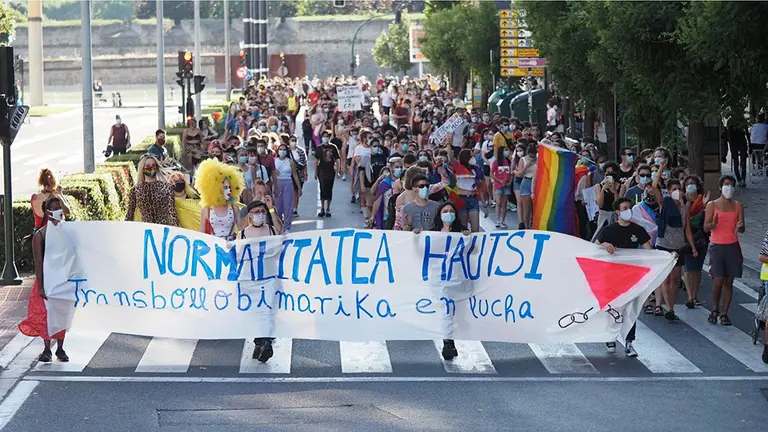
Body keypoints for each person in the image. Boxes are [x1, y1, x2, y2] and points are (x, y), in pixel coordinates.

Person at [596, 197, 652, 357]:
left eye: (630, 207)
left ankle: (629, 342)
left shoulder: (638, 230)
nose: (629, 210)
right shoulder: (609, 230)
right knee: (613, 307)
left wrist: (663, 259)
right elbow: (595, 246)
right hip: (612, 275)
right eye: (625, 208)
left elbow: (649, 250)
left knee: (630, 309)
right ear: (618, 212)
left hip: (632, 276)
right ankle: (611, 337)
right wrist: (605, 245)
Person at [19, 196, 69, 363]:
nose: (59, 212)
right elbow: (39, 263)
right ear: (48, 213)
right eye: (56, 208)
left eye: (60, 208)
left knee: (62, 314)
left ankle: (60, 348)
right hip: (47, 280)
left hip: (62, 279)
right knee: (45, 314)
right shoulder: (40, 236)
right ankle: (47, 348)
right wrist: (41, 287)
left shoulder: (66, 231)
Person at [652, 177, 696, 322]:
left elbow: (687, 229)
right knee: (666, 278)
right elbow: (654, 186)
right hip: (664, 244)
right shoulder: (664, 204)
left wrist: (693, 247)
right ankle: (669, 307)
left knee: (676, 279)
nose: (677, 192)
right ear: (669, 192)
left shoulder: (684, 208)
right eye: (673, 189)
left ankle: (671, 307)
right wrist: (660, 170)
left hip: (679, 246)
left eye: (678, 189)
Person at [704, 175, 745, 326]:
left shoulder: (738, 205)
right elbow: (706, 227)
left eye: (732, 185)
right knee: (718, 280)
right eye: (726, 185)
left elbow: (742, 227)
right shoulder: (711, 205)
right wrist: (713, 224)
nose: (729, 188)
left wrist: (740, 227)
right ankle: (714, 309)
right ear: (720, 187)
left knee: (729, 281)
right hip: (717, 246)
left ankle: (725, 313)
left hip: (732, 246)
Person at [241, 199, 279, 363]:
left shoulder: (271, 230)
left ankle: (266, 342)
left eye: (262, 212)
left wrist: (271, 210)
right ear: (250, 215)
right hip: (251, 279)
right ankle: (260, 342)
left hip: (270, 277)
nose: (260, 215)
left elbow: (280, 243)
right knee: (257, 312)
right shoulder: (243, 234)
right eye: (256, 212)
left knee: (267, 311)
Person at [196, 158, 246, 240]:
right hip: (214, 248)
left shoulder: (234, 208)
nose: (229, 190)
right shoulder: (206, 210)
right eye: (225, 187)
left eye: (230, 187)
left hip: (231, 247)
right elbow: (202, 232)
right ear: (217, 189)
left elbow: (242, 229)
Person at [126, 154, 179, 226]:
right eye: (147, 166)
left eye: (154, 165)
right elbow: (130, 213)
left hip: (163, 229)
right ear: (142, 168)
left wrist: (175, 229)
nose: (151, 168)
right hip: (146, 231)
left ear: (157, 167)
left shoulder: (167, 187)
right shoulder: (135, 190)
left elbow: (172, 212)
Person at [683, 175, 709, 309]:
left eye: (692, 183)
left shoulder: (703, 200)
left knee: (697, 268)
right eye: (687, 184)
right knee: (688, 267)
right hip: (686, 236)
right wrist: (687, 202)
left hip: (701, 237)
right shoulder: (682, 200)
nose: (690, 186)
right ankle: (689, 296)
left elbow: (707, 217)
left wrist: (704, 205)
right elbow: (684, 217)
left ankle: (695, 295)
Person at [273, 142, 302, 233]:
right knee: (278, 207)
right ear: (278, 151)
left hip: (288, 183)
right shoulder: (274, 161)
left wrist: (299, 188)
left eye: (284, 149)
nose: (282, 151)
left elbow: (295, 175)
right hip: (277, 183)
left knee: (288, 206)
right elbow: (272, 174)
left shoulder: (290, 161)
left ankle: (286, 227)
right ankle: (278, 226)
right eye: (280, 149)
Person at [315, 137, 341, 217]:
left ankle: (328, 208)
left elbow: (337, 160)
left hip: (330, 170)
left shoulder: (333, 147)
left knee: (329, 189)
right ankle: (322, 208)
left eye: (327, 136)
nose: (325, 138)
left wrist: (338, 171)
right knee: (322, 188)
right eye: (324, 136)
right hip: (321, 170)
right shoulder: (319, 148)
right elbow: (316, 161)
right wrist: (315, 173)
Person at [491, 145, 513, 228]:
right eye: (505, 150)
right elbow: (491, 174)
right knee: (498, 203)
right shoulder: (496, 162)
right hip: (498, 185)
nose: (507, 152)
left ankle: (502, 220)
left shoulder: (509, 162)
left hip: (506, 185)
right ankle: (497, 220)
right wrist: (499, 181)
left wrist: (509, 182)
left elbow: (511, 173)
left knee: (504, 204)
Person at [288, 135, 308, 217]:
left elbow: (304, 163)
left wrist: (305, 173)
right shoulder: (287, 151)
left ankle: (295, 209)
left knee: (296, 191)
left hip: (299, 174)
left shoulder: (301, 151)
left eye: (295, 140)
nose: (293, 142)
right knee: (290, 192)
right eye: (292, 140)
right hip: (288, 173)